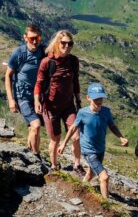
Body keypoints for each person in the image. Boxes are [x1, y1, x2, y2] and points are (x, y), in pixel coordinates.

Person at [56, 82, 129, 199]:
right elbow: (73, 128)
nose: (99, 101)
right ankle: (107, 204)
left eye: (101, 98)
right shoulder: (83, 113)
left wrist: (121, 137)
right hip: (88, 150)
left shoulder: (106, 111)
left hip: (100, 148)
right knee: (104, 177)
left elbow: (112, 126)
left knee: (91, 172)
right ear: (88, 98)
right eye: (96, 98)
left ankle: (80, 189)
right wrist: (63, 144)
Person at [34, 29, 82, 170]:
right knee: (56, 139)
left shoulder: (73, 61)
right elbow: (39, 83)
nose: (67, 46)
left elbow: (76, 81)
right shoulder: (47, 62)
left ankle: (77, 164)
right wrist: (37, 101)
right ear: (57, 43)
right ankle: (54, 165)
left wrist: (78, 100)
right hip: (50, 107)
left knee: (76, 137)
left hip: (68, 106)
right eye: (63, 43)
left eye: (70, 44)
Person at [4, 23, 44, 155]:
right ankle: (36, 156)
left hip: (38, 96)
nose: (34, 41)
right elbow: (8, 75)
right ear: (25, 37)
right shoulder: (19, 53)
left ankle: (30, 150)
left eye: (37, 38)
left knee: (33, 128)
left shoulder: (43, 52)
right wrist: (11, 100)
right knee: (36, 125)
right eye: (31, 38)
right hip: (22, 96)